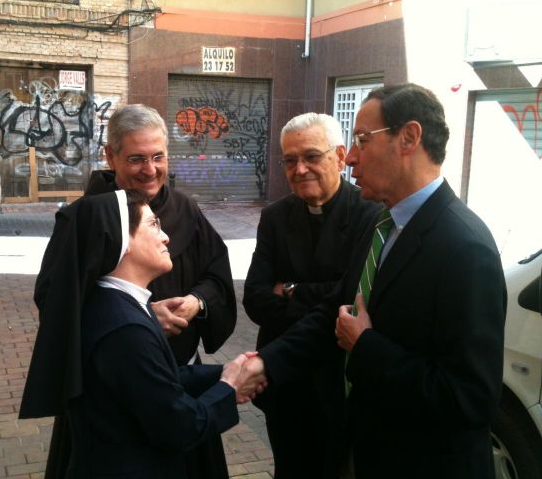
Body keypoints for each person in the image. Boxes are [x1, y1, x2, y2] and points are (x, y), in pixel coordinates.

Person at [238, 83, 506, 479]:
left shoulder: (464, 246)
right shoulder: (383, 224)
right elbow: (334, 311)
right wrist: (265, 362)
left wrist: (366, 346)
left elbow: (470, 399)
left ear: (409, 138)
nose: (351, 158)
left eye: (363, 140)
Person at [34, 104, 237, 478]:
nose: (150, 170)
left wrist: (197, 302)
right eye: (136, 159)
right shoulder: (87, 218)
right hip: (110, 398)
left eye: (158, 157)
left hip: (179, 379)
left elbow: (217, 275)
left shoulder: (185, 210)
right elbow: (55, 299)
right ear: (110, 156)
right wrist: (138, 317)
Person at [242, 112, 380, 478]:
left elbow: (352, 299)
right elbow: (254, 298)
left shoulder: (370, 213)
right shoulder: (275, 216)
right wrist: (324, 296)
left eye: (311, 156)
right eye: (290, 160)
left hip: (338, 381)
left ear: (339, 156)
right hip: (285, 383)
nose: (300, 169)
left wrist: (289, 290)